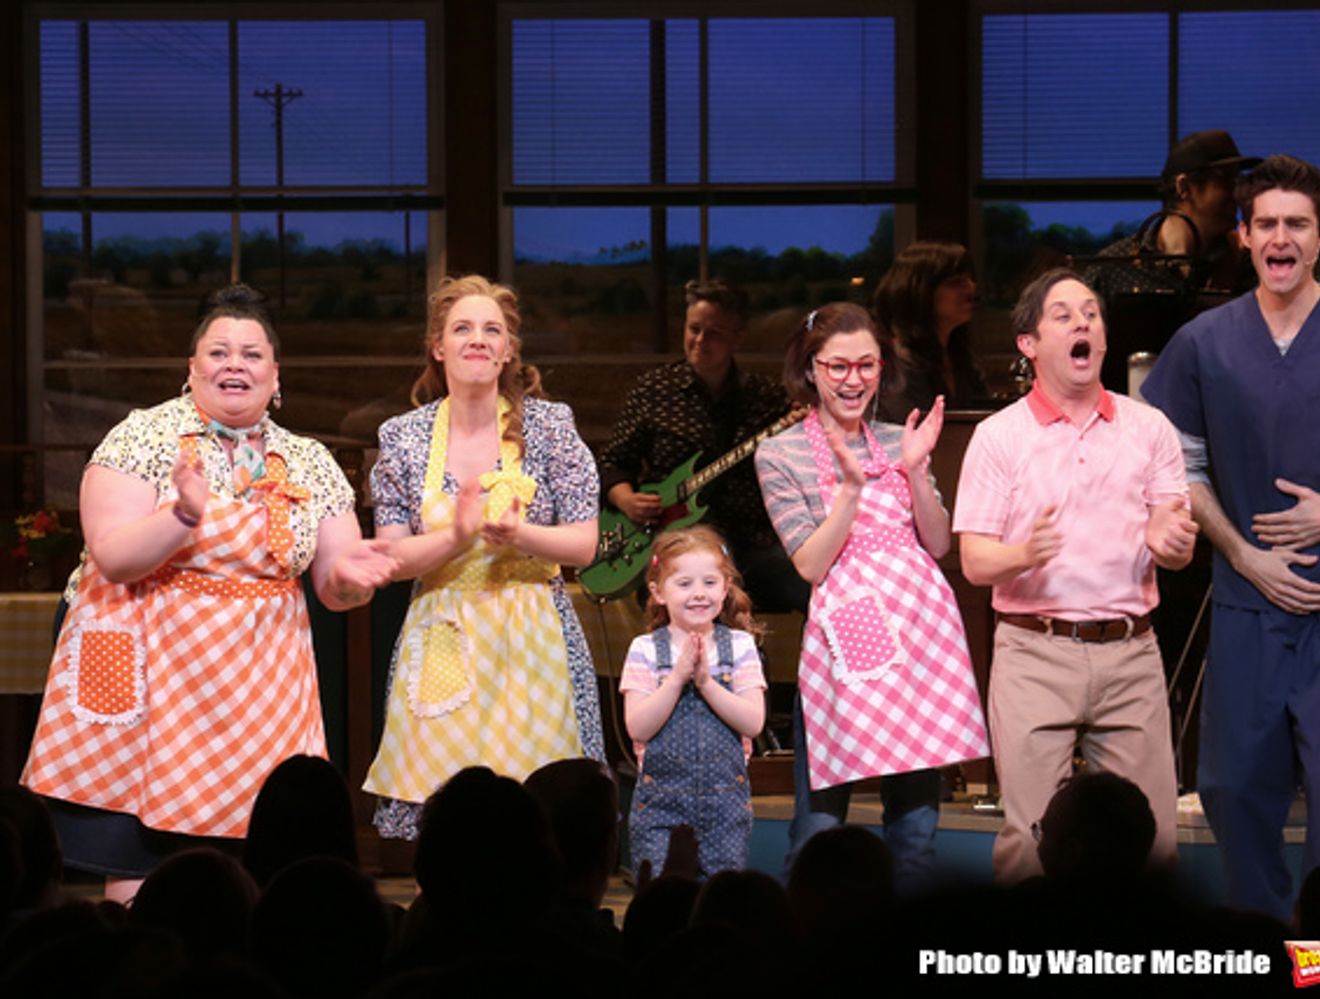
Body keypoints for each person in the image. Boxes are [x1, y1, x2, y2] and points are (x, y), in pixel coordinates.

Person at [21, 284, 397, 899]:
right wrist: (181, 517)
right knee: (143, 877)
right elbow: (114, 557)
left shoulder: (309, 460)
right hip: (152, 673)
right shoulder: (141, 437)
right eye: (218, 352)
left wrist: (358, 579)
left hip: (262, 684)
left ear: (276, 375)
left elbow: (336, 585)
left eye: (251, 354)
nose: (234, 365)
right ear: (189, 368)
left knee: (261, 870)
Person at [1142, 154, 1320, 921]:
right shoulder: (1204, 341)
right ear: (1244, 236)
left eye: (1298, 224)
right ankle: (1261, 943)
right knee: (1231, 782)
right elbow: (1175, 462)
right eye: (1266, 224)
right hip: (1247, 592)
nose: (1281, 238)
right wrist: (1242, 552)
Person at [954, 268, 1196, 884]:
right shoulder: (998, 437)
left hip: (1131, 650)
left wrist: (1169, 543)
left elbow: (1176, 544)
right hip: (1035, 650)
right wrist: (1024, 554)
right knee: (1032, 839)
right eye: (1063, 316)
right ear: (1029, 344)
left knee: (1155, 840)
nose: (1082, 323)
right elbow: (977, 562)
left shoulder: (1150, 429)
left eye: (1091, 313)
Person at [755, 303, 989, 892]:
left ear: (881, 368)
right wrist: (851, 493)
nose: (852, 379)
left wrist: (914, 471)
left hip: (917, 642)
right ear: (811, 370)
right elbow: (810, 562)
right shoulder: (780, 454)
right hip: (844, 648)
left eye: (866, 365)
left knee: (915, 828)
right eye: (837, 366)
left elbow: (937, 543)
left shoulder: (899, 438)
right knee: (817, 827)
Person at [363, 275, 603, 840]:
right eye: (462, 328)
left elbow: (585, 543)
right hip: (442, 636)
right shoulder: (404, 437)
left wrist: (521, 537)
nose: (478, 339)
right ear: (438, 346)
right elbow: (393, 559)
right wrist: (455, 537)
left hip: (534, 640)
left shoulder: (551, 428)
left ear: (509, 350)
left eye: (492, 330)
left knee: (540, 818)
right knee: (444, 819)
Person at [598, 279, 807, 612]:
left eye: (714, 334)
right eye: (694, 329)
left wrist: (804, 421)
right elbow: (612, 463)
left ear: (738, 338)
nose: (700, 341)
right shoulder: (653, 390)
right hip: (676, 542)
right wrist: (626, 499)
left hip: (751, 543)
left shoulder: (765, 397)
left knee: (809, 584)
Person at [622, 526, 766, 880]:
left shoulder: (740, 646)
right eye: (684, 584)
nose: (698, 594)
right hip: (661, 807)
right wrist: (676, 679)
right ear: (658, 592)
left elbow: (753, 723)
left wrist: (704, 682)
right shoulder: (645, 650)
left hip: (725, 806)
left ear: (725, 587)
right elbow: (638, 727)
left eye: (709, 583)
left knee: (720, 899)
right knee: (661, 895)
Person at [1092, 129, 1261, 299]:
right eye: (1225, 181)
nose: (1237, 193)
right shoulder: (1115, 267)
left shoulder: (1246, 264)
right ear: (1184, 187)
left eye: (1238, 181)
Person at [872, 241, 988, 416]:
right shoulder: (897, 363)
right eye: (956, 282)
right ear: (921, 292)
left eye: (970, 279)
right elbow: (910, 428)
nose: (971, 287)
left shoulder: (962, 358)